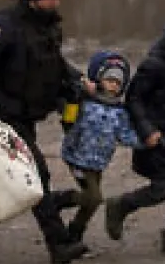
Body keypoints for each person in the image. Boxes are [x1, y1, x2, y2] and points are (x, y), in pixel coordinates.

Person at [0, 0, 89, 264]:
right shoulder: (3, 27)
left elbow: (54, 65)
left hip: (27, 114)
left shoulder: (47, 27)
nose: (56, 1)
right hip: (1, 115)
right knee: (35, 174)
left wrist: (77, 81)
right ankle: (58, 243)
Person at [104, 12, 165, 255]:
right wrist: (148, 131)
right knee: (161, 189)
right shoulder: (154, 65)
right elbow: (135, 99)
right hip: (160, 139)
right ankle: (121, 205)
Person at [59, 50, 140, 247]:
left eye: (118, 82)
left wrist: (146, 141)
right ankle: (58, 201)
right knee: (94, 198)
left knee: (91, 202)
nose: (113, 85)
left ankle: (74, 232)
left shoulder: (119, 112)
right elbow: (67, 119)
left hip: (98, 163)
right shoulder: (84, 101)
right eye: (109, 79)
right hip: (77, 157)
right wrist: (75, 99)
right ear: (99, 79)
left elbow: (126, 135)